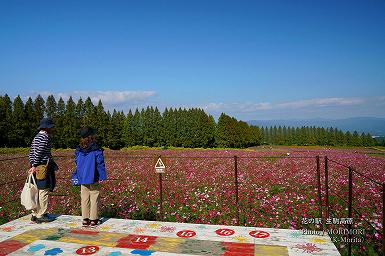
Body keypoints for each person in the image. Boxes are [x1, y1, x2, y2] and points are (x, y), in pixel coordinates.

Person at [75, 127, 107, 226]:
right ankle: (94, 219)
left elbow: (76, 161)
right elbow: (100, 162)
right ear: (91, 136)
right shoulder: (96, 148)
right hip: (93, 175)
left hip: (82, 176)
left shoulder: (79, 149)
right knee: (94, 195)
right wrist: (102, 175)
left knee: (84, 197)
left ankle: (85, 219)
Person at [28, 117, 58, 223]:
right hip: (42, 167)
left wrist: (32, 164)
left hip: (36, 166)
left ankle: (34, 213)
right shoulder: (45, 138)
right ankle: (42, 214)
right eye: (51, 127)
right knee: (43, 190)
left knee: (36, 190)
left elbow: (31, 152)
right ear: (47, 128)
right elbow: (40, 152)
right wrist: (35, 165)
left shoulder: (36, 137)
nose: (52, 129)